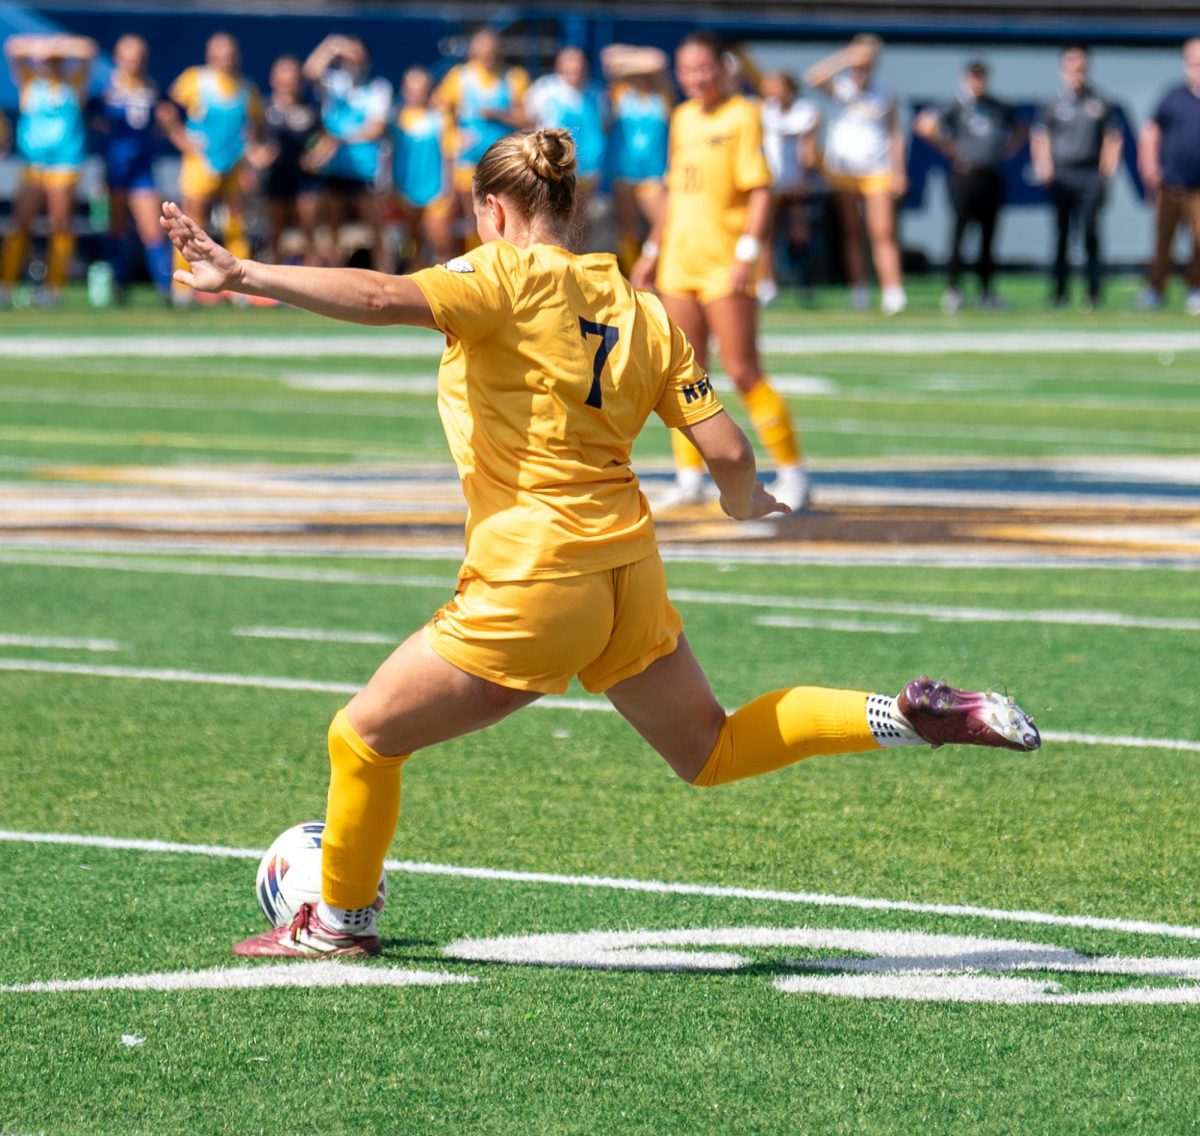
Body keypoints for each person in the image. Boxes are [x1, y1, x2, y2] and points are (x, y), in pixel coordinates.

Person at [159, 127, 1041, 959]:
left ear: (495, 212)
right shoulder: (643, 309)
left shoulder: (501, 275)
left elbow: (383, 294)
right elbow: (729, 451)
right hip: (627, 567)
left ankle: (338, 924)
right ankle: (905, 715)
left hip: (535, 575)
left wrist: (243, 272)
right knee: (711, 748)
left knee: (363, 739)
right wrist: (746, 503)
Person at [631, 32, 809, 513]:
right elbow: (675, 192)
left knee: (744, 370)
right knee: (685, 374)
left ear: (723, 68)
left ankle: (793, 472)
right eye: (686, 70)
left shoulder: (743, 115)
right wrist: (651, 250)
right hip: (679, 263)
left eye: (703, 68)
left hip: (724, 263)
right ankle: (690, 478)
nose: (695, 78)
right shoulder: (683, 117)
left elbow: (760, 190)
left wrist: (747, 254)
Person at [804, 35, 907, 315]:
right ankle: (859, 289)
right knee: (851, 232)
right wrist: (845, 57)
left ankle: (893, 290)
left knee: (883, 230)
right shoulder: (840, 87)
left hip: (878, 168)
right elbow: (812, 77)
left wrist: (900, 170)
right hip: (844, 170)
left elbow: (894, 134)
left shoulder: (886, 92)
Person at [158, 32, 262, 305]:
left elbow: (257, 124)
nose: (224, 57)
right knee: (190, 224)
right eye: (219, 51)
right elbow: (166, 109)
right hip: (200, 163)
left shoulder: (246, 88)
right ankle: (182, 287)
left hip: (233, 164)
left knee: (236, 225)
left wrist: (252, 150)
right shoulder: (194, 79)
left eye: (229, 51)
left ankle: (241, 288)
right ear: (209, 53)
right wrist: (180, 138)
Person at [914, 60, 1024, 313]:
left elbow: (1020, 128)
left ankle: (986, 291)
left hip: (991, 174)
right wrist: (951, 148)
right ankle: (954, 289)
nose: (978, 83)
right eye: (974, 78)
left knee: (989, 237)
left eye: (982, 77)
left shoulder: (996, 106)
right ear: (966, 79)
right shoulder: (956, 105)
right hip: (965, 174)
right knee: (959, 234)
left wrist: (1004, 151)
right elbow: (924, 125)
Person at [0, 33, 96, 306]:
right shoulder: (29, 82)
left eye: (54, 61)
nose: (48, 64)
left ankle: (53, 289)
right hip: (33, 165)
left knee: (60, 225)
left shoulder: (73, 84)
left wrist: (56, 47)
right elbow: (12, 47)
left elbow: (88, 49)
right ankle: (5, 285)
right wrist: (41, 47)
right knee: (20, 224)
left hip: (65, 164)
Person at [1030, 46, 1123, 310]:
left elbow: (1112, 136)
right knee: (1061, 235)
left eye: (1080, 68)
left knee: (1091, 234)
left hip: (1090, 173)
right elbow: (1040, 136)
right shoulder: (1053, 102)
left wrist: (1108, 167)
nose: (1076, 74)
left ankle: (1093, 293)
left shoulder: (1099, 101)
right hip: (1062, 174)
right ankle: (1059, 293)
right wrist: (1044, 167)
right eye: (1071, 68)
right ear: (1062, 70)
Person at [91, 33, 174, 300]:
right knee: (116, 227)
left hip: (141, 170)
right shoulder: (106, 90)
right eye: (128, 59)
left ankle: (167, 288)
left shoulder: (152, 88)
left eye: (137, 59)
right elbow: (93, 117)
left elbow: (167, 120)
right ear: (118, 59)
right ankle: (119, 284)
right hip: (115, 169)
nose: (133, 64)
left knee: (152, 229)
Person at [303, 35, 392, 272]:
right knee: (333, 230)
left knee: (376, 230)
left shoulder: (378, 87)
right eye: (347, 58)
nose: (351, 62)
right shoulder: (336, 82)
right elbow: (310, 72)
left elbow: (376, 129)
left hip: (364, 171)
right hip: (334, 169)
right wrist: (332, 45)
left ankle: (386, 277)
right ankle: (337, 280)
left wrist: (339, 139)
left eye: (357, 57)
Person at [435, 28, 529, 247]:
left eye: (492, 49)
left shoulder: (514, 77)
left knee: (504, 217)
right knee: (475, 216)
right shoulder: (460, 76)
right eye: (483, 49)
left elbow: (525, 118)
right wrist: (453, 136)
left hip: (503, 162)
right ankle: (477, 266)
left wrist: (497, 114)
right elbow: (438, 108)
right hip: (469, 160)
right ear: (474, 50)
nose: (488, 54)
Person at [1135, 38, 1200, 315]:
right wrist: (1149, 167)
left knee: (1199, 243)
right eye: (1194, 63)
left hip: (1199, 187)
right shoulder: (1172, 96)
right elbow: (1150, 131)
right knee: (1163, 242)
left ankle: (1196, 289)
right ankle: (1155, 290)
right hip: (1171, 183)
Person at [601, 44, 671, 276]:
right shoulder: (620, 92)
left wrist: (629, 61)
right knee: (627, 229)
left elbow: (659, 59)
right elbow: (608, 57)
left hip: (653, 172)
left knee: (665, 226)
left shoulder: (662, 94)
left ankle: (661, 272)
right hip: (624, 171)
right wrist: (631, 64)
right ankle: (634, 277)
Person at [525, 47, 607, 243]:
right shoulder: (545, 89)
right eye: (570, 62)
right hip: (552, 171)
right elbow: (527, 120)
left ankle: (573, 267)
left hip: (586, 171)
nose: (575, 68)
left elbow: (604, 125)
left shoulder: (595, 93)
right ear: (559, 65)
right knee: (549, 221)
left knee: (580, 223)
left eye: (579, 63)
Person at [250, 54, 322, 266]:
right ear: (273, 78)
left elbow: (327, 138)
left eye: (291, 73)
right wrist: (258, 157)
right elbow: (251, 139)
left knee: (310, 231)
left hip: (304, 179)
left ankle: (314, 284)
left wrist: (316, 157)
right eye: (282, 73)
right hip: (276, 177)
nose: (287, 79)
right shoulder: (263, 108)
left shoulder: (309, 110)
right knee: (276, 232)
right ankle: (275, 283)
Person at [758, 71, 820, 305]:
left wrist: (803, 178)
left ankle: (804, 284)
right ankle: (767, 285)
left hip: (796, 183)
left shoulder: (806, 112)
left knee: (800, 234)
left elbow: (808, 152)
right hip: (769, 183)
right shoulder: (762, 110)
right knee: (765, 234)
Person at [390, 65, 457, 271]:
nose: (417, 92)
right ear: (404, 89)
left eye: (422, 87)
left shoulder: (440, 118)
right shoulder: (394, 119)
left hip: (435, 191)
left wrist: (450, 188)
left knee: (441, 242)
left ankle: (450, 290)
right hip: (403, 191)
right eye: (412, 87)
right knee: (412, 246)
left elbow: (449, 155)